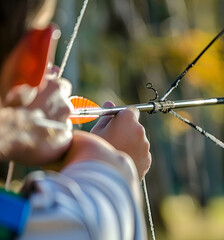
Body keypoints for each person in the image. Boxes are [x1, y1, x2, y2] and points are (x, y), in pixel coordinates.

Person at [0, 0, 151, 239]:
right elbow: (93, 222)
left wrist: (12, 129)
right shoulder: (38, 222)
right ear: (37, 52)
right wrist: (110, 162)